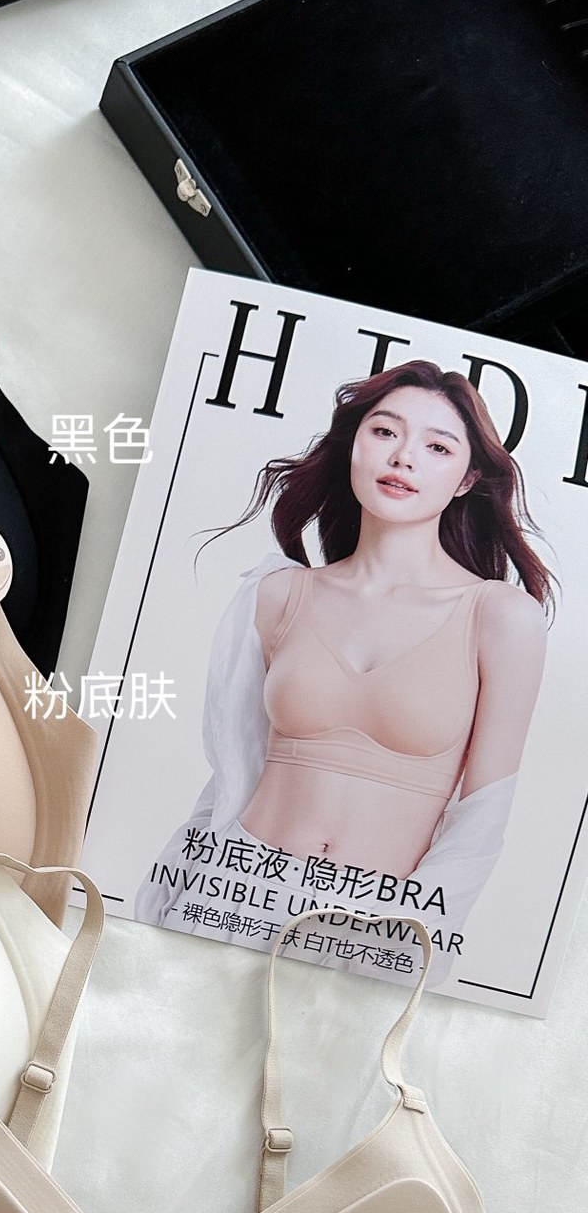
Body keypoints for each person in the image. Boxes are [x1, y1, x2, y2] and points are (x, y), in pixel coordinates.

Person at [138, 361, 552, 977]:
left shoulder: (500, 616)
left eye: (437, 447)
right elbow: (230, 773)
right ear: (354, 444)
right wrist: (163, 902)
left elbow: (482, 819)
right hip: (230, 897)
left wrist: (400, 947)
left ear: (467, 479)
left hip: (372, 928)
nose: (404, 457)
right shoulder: (278, 594)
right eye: (385, 432)